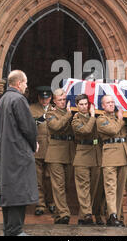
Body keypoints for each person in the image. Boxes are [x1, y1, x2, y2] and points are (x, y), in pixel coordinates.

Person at [0, 70, 39, 236]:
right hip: (19, 152)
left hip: (7, 152)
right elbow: (28, 127)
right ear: (19, 83)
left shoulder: (3, 100)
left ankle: (10, 229)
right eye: (26, 82)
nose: (26, 86)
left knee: (9, 190)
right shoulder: (18, 99)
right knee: (19, 190)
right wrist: (33, 143)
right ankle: (15, 230)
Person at [96, 95, 127, 227]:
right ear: (103, 106)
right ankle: (112, 215)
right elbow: (113, 130)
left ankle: (117, 214)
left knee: (120, 189)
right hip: (110, 155)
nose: (111, 104)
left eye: (112, 102)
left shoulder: (117, 117)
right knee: (110, 187)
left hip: (122, 154)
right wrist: (121, 119)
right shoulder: (101, 119)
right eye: (108, 103)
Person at [71, 94, 102, 225]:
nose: (84, 107)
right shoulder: (75, 120)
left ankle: (83, 216)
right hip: (82, 154)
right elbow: (86, 130)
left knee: (94, 188)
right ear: (77, 106)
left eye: (86, 104)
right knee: (83, 187)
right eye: (81, 104)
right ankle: (87, 215)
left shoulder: (95, 116)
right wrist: (93, 117)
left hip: (95, 154)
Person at [45, 88, 74, 224]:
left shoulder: (71, 112)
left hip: (69, 152)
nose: (63, 102)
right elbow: (56, 126)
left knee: (67, 185)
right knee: (59, 185)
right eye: (60, 100)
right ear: (54, 101)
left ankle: (58, 213)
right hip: (55, 153)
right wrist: (68, 115)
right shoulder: (50, 113)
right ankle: (64, 213)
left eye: (64, 99)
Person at [29, 86, 55, 216]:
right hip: (38, 147)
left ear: (50, 98)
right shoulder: (32, 108)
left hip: (53, 149)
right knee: (38, 179)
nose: (45, 100)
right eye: (42, 98)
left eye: (47, 98)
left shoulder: (55, 109)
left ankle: (51, 202)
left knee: (50, 178)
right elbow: (29, 125)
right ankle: (40, 204)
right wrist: (43, 117)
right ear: (39, 98)